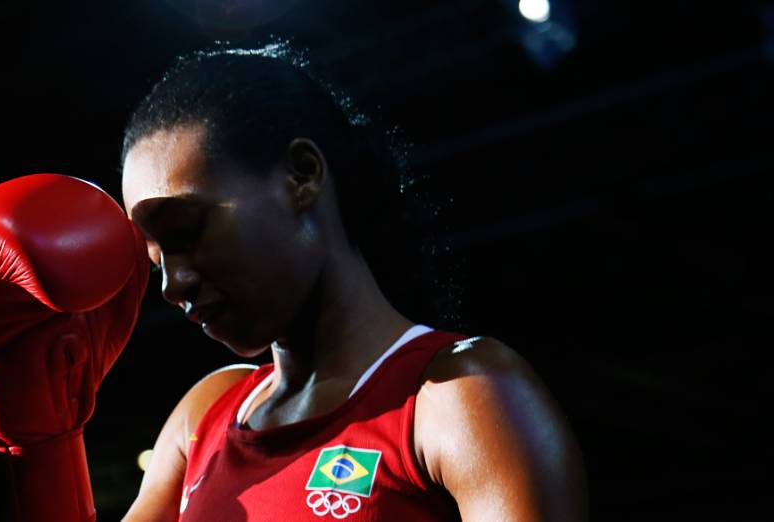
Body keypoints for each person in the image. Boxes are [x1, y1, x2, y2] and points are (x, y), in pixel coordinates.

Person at [119, 42, 588, 521]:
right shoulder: (205, 415)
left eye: (188, 232)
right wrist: (51, 435)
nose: (172, 285)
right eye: (157, 259)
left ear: (301, 175)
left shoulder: (461, 395)